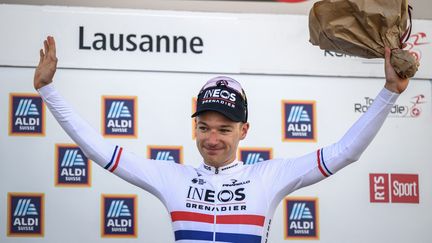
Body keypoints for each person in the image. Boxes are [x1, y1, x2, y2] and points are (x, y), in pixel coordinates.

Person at [34, 36, 409, 243]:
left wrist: (390, 91)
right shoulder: (172, 178)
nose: (212, 139)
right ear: (194, 127)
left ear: (244, 131)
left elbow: (345, 152)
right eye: (204, 127)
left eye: (224, 129)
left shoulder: (270, 176)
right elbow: (101, 151)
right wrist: (48, 91)